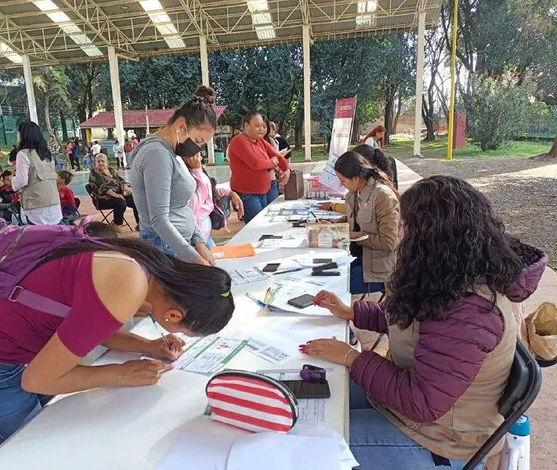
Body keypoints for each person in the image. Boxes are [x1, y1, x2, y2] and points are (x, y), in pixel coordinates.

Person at [303, 175, 546, 470]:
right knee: (314, 401)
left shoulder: (470, 314)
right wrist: (353, 312)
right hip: (417, 416)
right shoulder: (455, 279)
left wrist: (351, 357)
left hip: (440, 440)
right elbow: (416, 323)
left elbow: (421, 402)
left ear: (432, 238)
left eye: (407, 227)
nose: (402, 236)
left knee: (309, 443)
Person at [0, 223, 236, 449]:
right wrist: (121, 374)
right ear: (174, 315)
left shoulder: (142, 265)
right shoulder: (128, 284)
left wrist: (148, 345)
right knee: (33, 456)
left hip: (15, 355)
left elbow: (91, 328)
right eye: (182, 331)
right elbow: (37, 379)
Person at [130, 85, 218, 266]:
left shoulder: (172, 152)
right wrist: (196, 260)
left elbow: (182, 205)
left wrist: (198, 241)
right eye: (198, 141)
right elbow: (159, 220)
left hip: (179, 246)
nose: (198, 148)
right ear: (181, 127)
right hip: (165, 248)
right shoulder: (157, 154)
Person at [318, 151, 400, 294]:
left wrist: (352, 235)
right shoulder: (354, 193)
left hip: (378, 270)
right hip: (357, 257)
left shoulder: (383, 196)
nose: (342, 185)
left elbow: (389, 242)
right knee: (319, 273)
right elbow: (353, 220)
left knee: (330, 287)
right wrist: (332, 226)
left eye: (343, 181)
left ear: (355, 178)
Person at [227, 108, 290, 223]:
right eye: (257, 126)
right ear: (246, 125)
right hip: (248, 194)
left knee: (264, 225)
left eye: (262, 125)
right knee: (255, 227)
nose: (261, 129)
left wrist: (286, 170)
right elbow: (255, 163)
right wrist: (272, 162)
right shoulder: (238, 141)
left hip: (263, 192)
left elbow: (279, 157)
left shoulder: (260, 141)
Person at [183, 153, 244, 248]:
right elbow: (195, 203)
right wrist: (197, 171)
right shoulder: (188, 177)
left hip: (206, 236)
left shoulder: (199, 172)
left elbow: (210, 190)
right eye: (197, 154)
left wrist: (231, 193)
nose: (201, 157)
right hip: (197, 241)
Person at [12, 121, 62, 225]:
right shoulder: (47, 154)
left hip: (35, 205)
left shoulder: (23, 154)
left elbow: (21, 181)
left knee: (38, 238)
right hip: (54, 203)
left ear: (23, 135)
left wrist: (12, 180)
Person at [90, 154, 137, 233]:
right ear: (95, 163)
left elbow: (120, 179)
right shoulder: (94, 172)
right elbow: (102, 187)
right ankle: (116, 224)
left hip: (117, 196)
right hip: (102, 199)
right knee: (120, 202)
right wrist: (117, 195)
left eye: (102, 161)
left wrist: (124, 185)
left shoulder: (111, 170)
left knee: (136, 200)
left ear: (107, 163)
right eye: (98, 161)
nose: (101, 163)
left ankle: (140, 223)